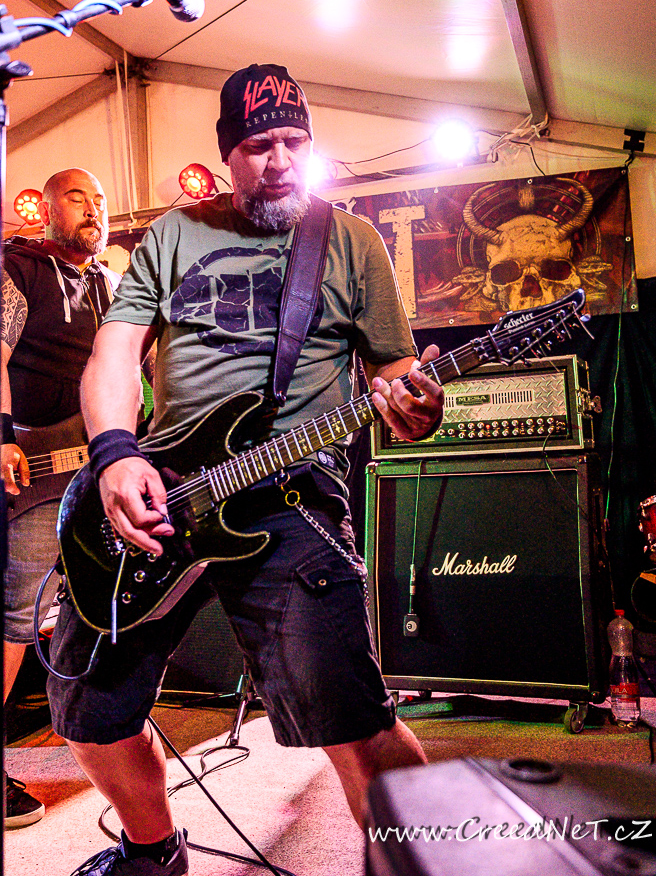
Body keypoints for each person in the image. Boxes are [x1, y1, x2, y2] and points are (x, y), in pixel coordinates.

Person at [46, 64, 444, 876]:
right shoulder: (173, 233)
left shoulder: (350, 241)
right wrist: (116, 452)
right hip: (165, 491)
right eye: (259, 145)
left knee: (351, 717)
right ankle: (152, 850)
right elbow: (115, 351)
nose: (280, 160)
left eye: (294, 141)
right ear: (228, 153)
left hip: (291, 499)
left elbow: (395, 368)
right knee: (87, 705)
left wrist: (414, 402)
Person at [1, 168, 117, 827]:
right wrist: (1, 436)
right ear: (46, 209)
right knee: (17, 617)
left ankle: (107, 737)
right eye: (77, 198)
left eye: (99, 200)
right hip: (37, 470)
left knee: (105, 604)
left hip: (96, 470)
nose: (93, 209)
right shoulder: (19, 269)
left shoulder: (110, 282)